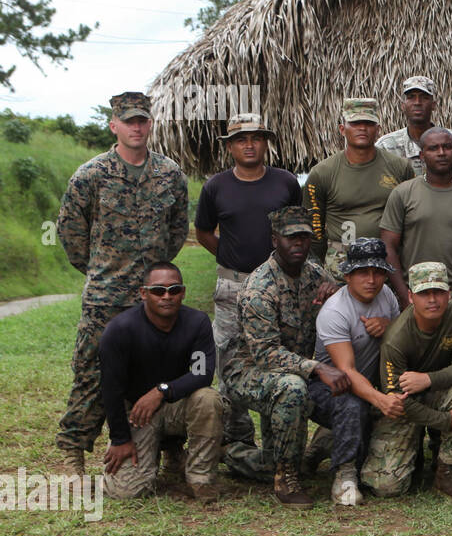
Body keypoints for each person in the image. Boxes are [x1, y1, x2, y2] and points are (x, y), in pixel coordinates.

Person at [56, 91, 189, 473]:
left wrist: (155, 277)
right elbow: (70, 232)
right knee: (92, 371)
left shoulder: (170, 174)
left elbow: (177, 230)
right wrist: (101, 271)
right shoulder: (91, 175)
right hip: (105, 298)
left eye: (142, 120)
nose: (136, 127)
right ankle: (74, 450)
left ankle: (170, 448)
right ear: (114, 125)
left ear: (150, 124)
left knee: (162, 371)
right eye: (128, 120)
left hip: (154, 297)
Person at [221, 207, 351, 508]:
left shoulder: (314, 272)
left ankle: (234, 454)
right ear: (274, 240)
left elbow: (348, 299)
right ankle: (286, 476)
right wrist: (317, 367)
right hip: (250, 371)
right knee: (292, 389)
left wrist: (338, 290)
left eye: (305, 237)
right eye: (291, 237)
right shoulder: (259, 288)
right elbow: (265, 354)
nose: (299, 244)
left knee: (276, 448)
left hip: (293, 369)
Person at [195, 113, 302, 452]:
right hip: (232, 286)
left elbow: (297, 231)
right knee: (228, 360)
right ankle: (236, 439)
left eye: (256, 138)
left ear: (266, 143)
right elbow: (203, 232)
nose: (250, 144)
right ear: (230, 147)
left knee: (278, 358)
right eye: (241, 139)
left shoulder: (285, 183)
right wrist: (231, 258)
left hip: (280, 288)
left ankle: (277, 442)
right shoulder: (216, 187)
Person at [99, 262, 224, 502]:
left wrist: (161, 391)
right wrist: (120, 438)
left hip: (175, 404)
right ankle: (158, 452)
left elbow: (202, 374)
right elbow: (110, 389)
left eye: (174, 289)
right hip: (138, 412)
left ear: (183, 292)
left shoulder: (197, 323)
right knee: (126, 493)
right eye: (158, 291)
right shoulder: (120, 330)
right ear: (144, 293)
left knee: (208, 398)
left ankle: (200, 477)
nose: (167, 296)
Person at [362, 261, 452, 498]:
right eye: (424, 293)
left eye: (438, 292)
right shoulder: (395, 339)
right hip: (406, 405)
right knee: (386, 488)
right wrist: (446, 420)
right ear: (410, 296)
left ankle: (446, 472)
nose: (432, 299)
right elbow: (396, 401)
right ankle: (412, 454)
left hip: (439, 391)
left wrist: (427, 379)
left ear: (448, 294)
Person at [307, 237, 403, 506]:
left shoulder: (386, 296)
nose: (371, 280)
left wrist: (389, 325)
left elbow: (398, 340)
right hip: (329, 386)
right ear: (347, 275)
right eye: (363, 272)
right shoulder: (335, 311)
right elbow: (346, 371)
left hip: (372, 379)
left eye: (378, 272)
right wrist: (381, 400)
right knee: (352, 405)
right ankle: (344, 476)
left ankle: (328, 442)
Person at [380, 126, 452, 303]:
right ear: (422, 156)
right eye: (433, 148)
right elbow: (388, 247)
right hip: (417, 289)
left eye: (447, 147)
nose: (441, 153)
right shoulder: (402, 194)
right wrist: (404, 295)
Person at [305, 97, 415, 279]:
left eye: (368, 123)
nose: (362, 128)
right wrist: (319, 273)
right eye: (355, 123)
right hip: (340, 265)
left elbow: (411, 217)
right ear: (342, 129)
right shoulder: (322, 173)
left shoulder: (400, 167)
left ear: (378, 130)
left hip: (387, 261)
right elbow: (314, 227)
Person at [376, 76, 435, 177]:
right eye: (411, 97)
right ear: (403, 106)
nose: (417, 103)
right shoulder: (385, 147)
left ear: (433, 105)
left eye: (424, 97)